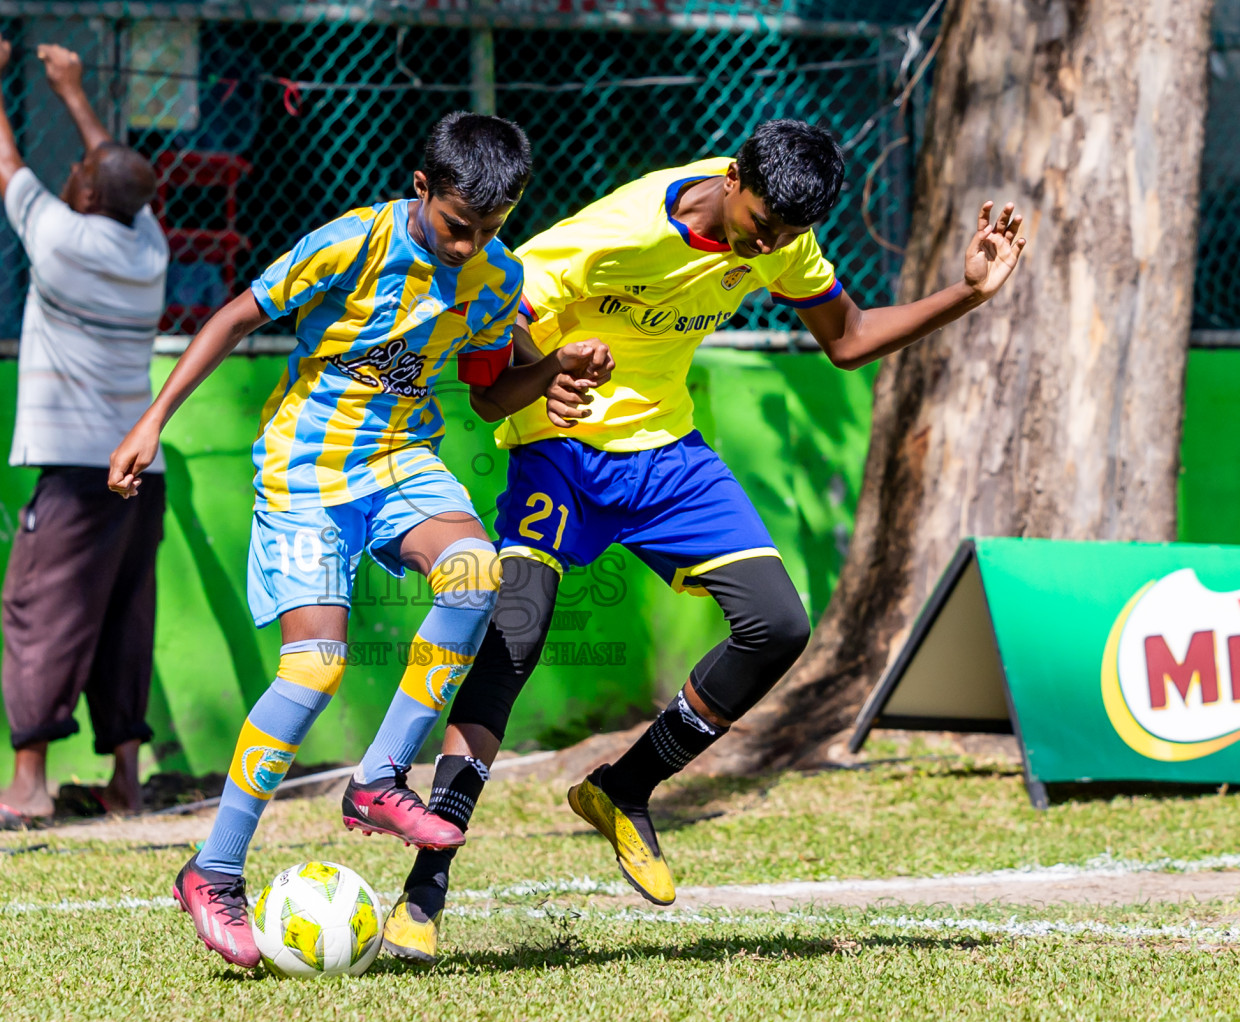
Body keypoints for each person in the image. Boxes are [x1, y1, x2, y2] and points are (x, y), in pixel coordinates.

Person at [381, 118, 1029, 962]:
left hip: (668, 458)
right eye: (759, 224)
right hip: (561, 453)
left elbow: (849, 341)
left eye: (786, 235)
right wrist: (548, 374)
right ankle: (423, 895)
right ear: (731, 178)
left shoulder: (784, 242)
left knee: (779, 625)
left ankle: (624, 788)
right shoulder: (612, 237)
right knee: (515, 635)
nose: (766, 245)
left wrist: (970, 293)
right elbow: (494, 338)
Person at [107, 111, 613, 968]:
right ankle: (215, 871)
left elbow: (492, 395)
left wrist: (552, 367)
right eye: (459, 226)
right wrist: (152, 419)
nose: (471, 245)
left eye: (492, 228)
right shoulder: (351, 244)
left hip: (402, 463)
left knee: (475, 574)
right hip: (305, 475)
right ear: (422, 190)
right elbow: (234, 316)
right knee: (314, 670)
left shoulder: (496, 277)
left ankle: (376, 781)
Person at [0, 26, 169, 829]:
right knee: (123, 617)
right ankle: (125, 782)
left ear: (81, 195)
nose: (74, 171)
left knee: (39, 612)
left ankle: (29, 786)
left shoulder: (61, 239)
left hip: (78, 474)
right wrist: (74, 92)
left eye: (77, 173)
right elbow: (117, 171)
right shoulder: (149, 247)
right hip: (142, 477)